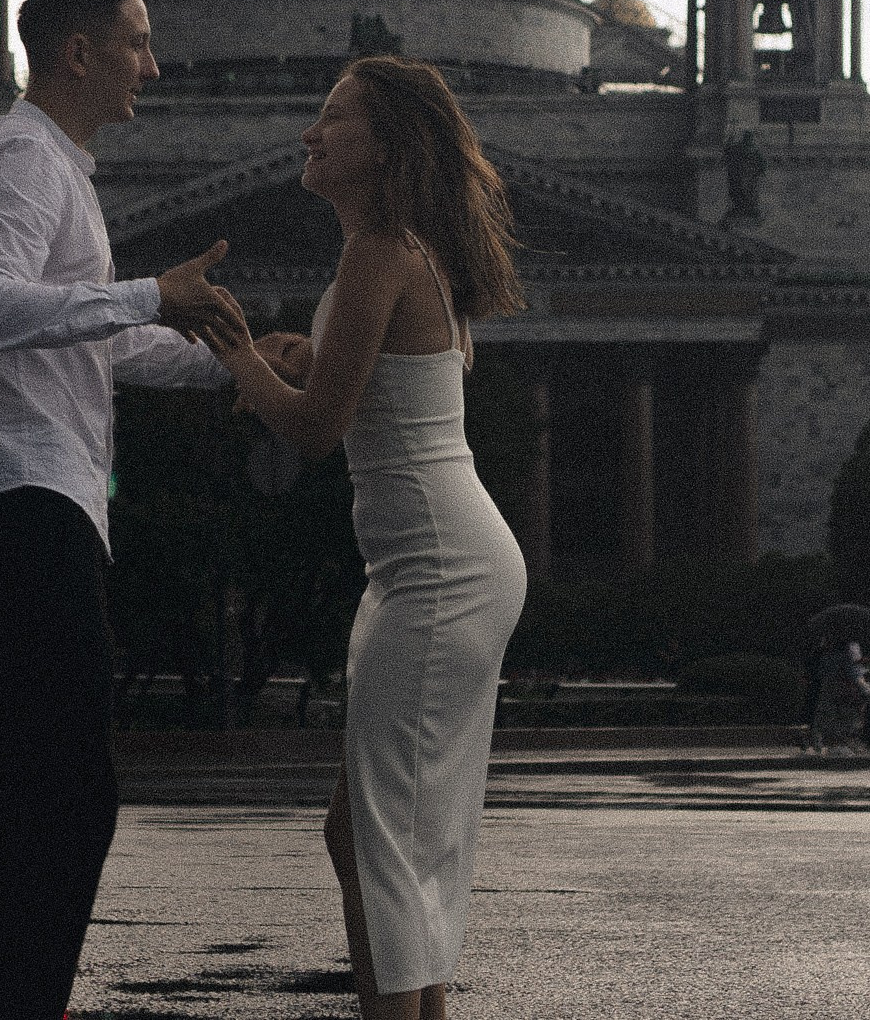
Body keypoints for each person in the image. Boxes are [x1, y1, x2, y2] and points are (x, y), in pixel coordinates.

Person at [0, 0, 293, 1020]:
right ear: (77, 53)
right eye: (136, 43)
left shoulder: (46, 167)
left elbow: (90, 345)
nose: (154, 66)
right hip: (20, 506)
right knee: (65, 797)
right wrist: (143, 293)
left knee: (45, 797)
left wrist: (237, 358)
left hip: (22, 504)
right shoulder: (23, 162)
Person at [201, 55, 529, 1020]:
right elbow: (364, 387)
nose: (310, 133)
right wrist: (291, 357)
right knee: (379, 833)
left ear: (382, 146)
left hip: (436, 569)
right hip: (433, 562)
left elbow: (313, 428)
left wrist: (232, 350)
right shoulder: (404, 253)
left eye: (332, 119)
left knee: (387, 837)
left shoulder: (379, 253)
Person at [811, 639, 870, 754]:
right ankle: (841, 744)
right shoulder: (847, 656)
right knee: (845, 719)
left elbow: (821, 673)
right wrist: (866, 693)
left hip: (828, 689)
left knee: (823, 717)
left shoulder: (826, 656)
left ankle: (818, 744)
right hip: (843, 694)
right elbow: (855, 675)